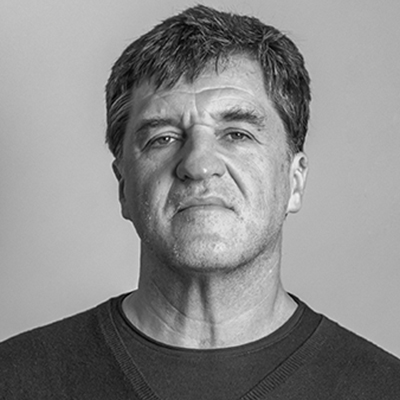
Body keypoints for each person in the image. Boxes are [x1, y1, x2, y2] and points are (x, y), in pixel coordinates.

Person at [1, 5, 399, 399]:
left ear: (294, 180)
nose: (198, 164)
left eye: (237, 134)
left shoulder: (383, 388)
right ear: (123, 186)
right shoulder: (15, 379)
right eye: (163, 138)